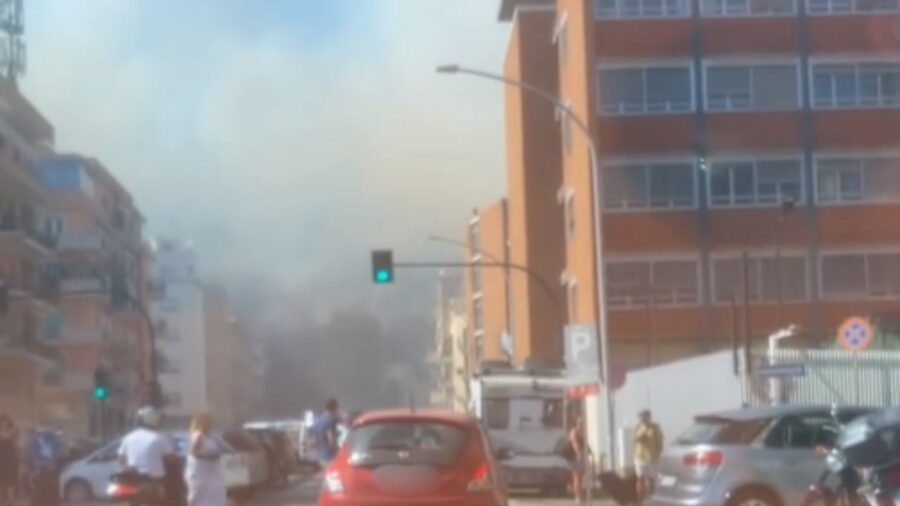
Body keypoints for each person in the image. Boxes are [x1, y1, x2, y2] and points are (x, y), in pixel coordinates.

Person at [118, 406, 175, 504]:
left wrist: (128, 467)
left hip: (133, 479)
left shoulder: (129, 437)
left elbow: (121, 458)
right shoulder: (161, 438)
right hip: (155, 480)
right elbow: (171, 460)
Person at [185, 413, 226, 506]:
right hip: (200, 471)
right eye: (209, 422)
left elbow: (222, 448)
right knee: (198, 496)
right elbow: (192, 452)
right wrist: (208, 457)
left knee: (214, 495)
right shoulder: (198, 435)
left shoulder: (212, 436)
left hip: (212, 471)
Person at [634, 409, 664, 504]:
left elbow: (660, 440)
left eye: (644, 416)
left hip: (651, 456)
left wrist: (659, 452)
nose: (642, 419)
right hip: (639, 456)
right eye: (641, 417)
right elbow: (634, 439)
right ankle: (640, 499)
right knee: (640, 478)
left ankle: (652, 498)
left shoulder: (654, 427)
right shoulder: (638, 427)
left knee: (651, 478)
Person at [312, 398, 341, 467]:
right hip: (330, 454)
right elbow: (330, 436)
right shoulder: (331, 419)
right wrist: (337, 451)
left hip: (320, 454)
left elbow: (314, 439)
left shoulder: (317, 420)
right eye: (336, 408)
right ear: (333, 407)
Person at [0, 416, 19, 506]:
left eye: (5, 423)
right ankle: (3, 501)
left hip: (10, 460)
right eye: (2, 423)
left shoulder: (12, 433)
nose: (3, 425)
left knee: (10, 484)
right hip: (2, 459)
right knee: (3, 484)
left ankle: (11, 502)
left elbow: (15, 445)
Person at [568, 417, 587, 504]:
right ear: (576, 423)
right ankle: (577, 497)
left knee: (581, 479)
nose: (581, 424)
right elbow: (574, 443)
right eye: (580, 422)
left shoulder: (582, 432)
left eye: (582, 422)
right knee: (576, 478)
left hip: (582, 456)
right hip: (576, 457)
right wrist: (578, 453)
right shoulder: (574, 432)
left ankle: (579, 495)